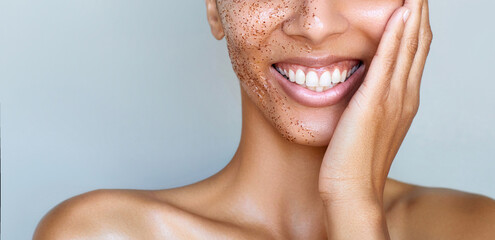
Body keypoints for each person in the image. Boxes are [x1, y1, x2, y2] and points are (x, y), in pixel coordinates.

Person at [33, 0, 495, 239]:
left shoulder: (478, 230)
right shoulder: (102, 235)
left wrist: (354, 205)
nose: (315, 22)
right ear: (216, 7)